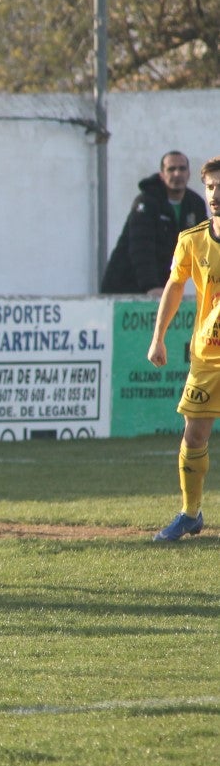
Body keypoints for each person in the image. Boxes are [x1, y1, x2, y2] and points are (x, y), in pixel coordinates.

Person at [147, 155, 220, 542]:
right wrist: (158, 337)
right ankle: (190, 514)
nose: (215, 195)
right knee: (193, 436)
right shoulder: (193, 240)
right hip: (207, 355)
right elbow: (175, 286)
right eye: (210, 188)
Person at [101, 151, 208, 296]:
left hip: (161, 287)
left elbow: (205, 249)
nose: (177, 173)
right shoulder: (146, 203)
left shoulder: (195, 204)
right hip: (124, 287)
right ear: (162, 175)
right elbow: (141, 248)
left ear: (189, 174)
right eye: (171, 169)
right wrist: (151, 286)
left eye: (182, 169)